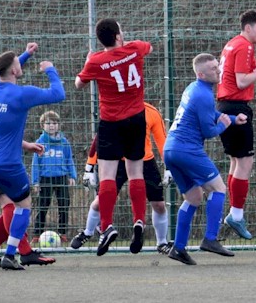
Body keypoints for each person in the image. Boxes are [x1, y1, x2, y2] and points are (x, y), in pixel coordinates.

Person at [0, 44, 65, 271]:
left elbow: (3, 69)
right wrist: (50, 69)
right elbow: (58, 94)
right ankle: (11, 255)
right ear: (13, 70)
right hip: (7, 164)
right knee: (23, 205)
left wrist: (25, 55)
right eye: (17, 63)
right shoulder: (22, 94)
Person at [75, 19, 152, 256]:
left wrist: (89, 61)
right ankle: (139, 221)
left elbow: (79, 84)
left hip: (111, 123)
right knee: (136, 172)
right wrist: (124, 47)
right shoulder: (135, 48)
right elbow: (148, 47)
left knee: (107, 176)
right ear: (119, 35)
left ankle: (106, 226)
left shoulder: (96, 61)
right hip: (137, 119)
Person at [165, 53, 247, 265]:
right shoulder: (203, 95)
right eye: (213, 69)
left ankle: (178, 248)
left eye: (218, 67)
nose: (218, 71)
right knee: (218, 189)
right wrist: (225, 125)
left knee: (193, 198)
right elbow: (210, 130)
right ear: (201, 73)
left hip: (171, 149)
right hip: (187, 149)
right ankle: (210, 239)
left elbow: (209, 114)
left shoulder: (194, 88)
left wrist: (231, 118)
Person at [70, 102, 172, 254]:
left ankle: (161, 242)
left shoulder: (151, 112)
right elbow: (101, 139)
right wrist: (89, 167)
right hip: (117, 162)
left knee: (159, 204)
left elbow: (162, 140)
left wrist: (169, 166)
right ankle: (88, 232)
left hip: (145, 161)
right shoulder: (115, 109)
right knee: (100, 202)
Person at [216, 10, 256, 240]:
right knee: (245, 162)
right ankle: (236, 215)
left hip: (225, 106)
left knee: (236, 162)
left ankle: (234, 212)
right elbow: (241, 81)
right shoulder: (244, 45)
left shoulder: (232, 43)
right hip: (235, 107)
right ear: (248, 27)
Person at [31, 110, 77, 243]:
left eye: (55, 123)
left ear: (59, 125)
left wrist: (72, 176)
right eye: (48, 123)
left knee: (64, 205)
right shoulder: (40, 142)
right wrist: (35, 182)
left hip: (61, 177)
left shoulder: (64, 142)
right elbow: (35, 164)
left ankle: (62, 233)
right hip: (45, 179)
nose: (52, 126)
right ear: (42, 125)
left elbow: (69, 160)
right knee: (43, 206)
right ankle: (37, 234)